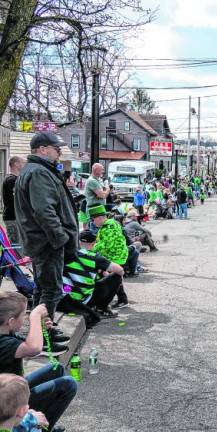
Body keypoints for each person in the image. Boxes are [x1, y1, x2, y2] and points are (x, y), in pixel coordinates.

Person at [14, 132, 78, 324]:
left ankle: (42, 331)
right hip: (47, 243)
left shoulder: (35, 170)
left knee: (43, 288)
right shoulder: (39, 172)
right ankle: (44, 335)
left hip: (42, 241)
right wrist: (61, 238)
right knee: (51, 289)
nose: (59, 152)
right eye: (55, 148)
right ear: (42, 149)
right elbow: (44, 211)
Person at [0, 292, 77, 431]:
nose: (26, 318)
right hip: (6, 401)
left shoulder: (5, 331)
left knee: (56, 368)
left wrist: (40, 330)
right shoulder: (3, 343)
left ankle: (40, 422)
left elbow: (27, 342)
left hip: (11, 388)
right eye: (24, 315)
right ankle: (39, 427)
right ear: (10, 321)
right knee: (69, 385)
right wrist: (35, 317)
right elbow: (34, 347)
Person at [59, 230, 125, 326]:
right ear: (93, 244)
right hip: (86, 299)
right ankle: (102, 308)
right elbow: (119, 270)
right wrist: (118, 277)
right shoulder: (93, 257)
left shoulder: (65, 254)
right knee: (116, 277)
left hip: (67, 297)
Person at [2, 156, 25, 246]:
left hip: (15, 217)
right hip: (12, 217)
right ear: (16, 164)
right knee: (16, 246)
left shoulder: (14, 179)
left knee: (19, 245)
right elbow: (19, 199)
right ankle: (16, 260)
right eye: (23, 162)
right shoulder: (12, 180)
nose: (24, 165)